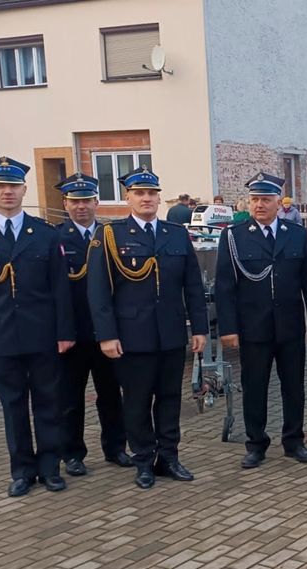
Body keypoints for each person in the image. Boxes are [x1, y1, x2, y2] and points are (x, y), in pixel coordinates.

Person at [0, 156, 75, 497]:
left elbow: (60, 289)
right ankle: (22, 471)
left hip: (42, 333)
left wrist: (65, 332)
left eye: (13, 186)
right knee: (13, 406)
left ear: (24, 189)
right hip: (0, 335)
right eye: (0, 186)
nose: (7, 192)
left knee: (48, 403)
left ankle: (50, 468)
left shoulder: (45, 233)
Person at [86, 167, 209, 489]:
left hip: (170, 334)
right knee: (137, 401)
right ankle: (143, 460)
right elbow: (99, 291)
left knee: (169, 399)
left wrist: (199, 328)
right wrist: (107, 335)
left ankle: (168, 457)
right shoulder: (110, 235)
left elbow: (192, 286)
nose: (146, 199)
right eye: (139, 193)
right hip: (132, 336)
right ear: (128, 197)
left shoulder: (176, 234)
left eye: (152, 193)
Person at [215, 172, 307, 468]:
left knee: (293, 387)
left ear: (279, 202)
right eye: (254, 199)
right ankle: (255, 444)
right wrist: (228, 328)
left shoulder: (296, 234)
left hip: (290, 326)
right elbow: (225, 287)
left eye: (265, 199)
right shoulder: (234, 236)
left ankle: (294, 441)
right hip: (253, 327)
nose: (259, 205)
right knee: (254, 387)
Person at [54, 172, 132, 476]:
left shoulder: (110, 235)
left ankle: (116, 448)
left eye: (86, 200)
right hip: (73, 334)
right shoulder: (56, 238)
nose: (81, 206)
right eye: (74, 201)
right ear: (65, 204)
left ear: (96, 202)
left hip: (107, 333)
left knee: (111, 395)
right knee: (70, 399)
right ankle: (72, 453)